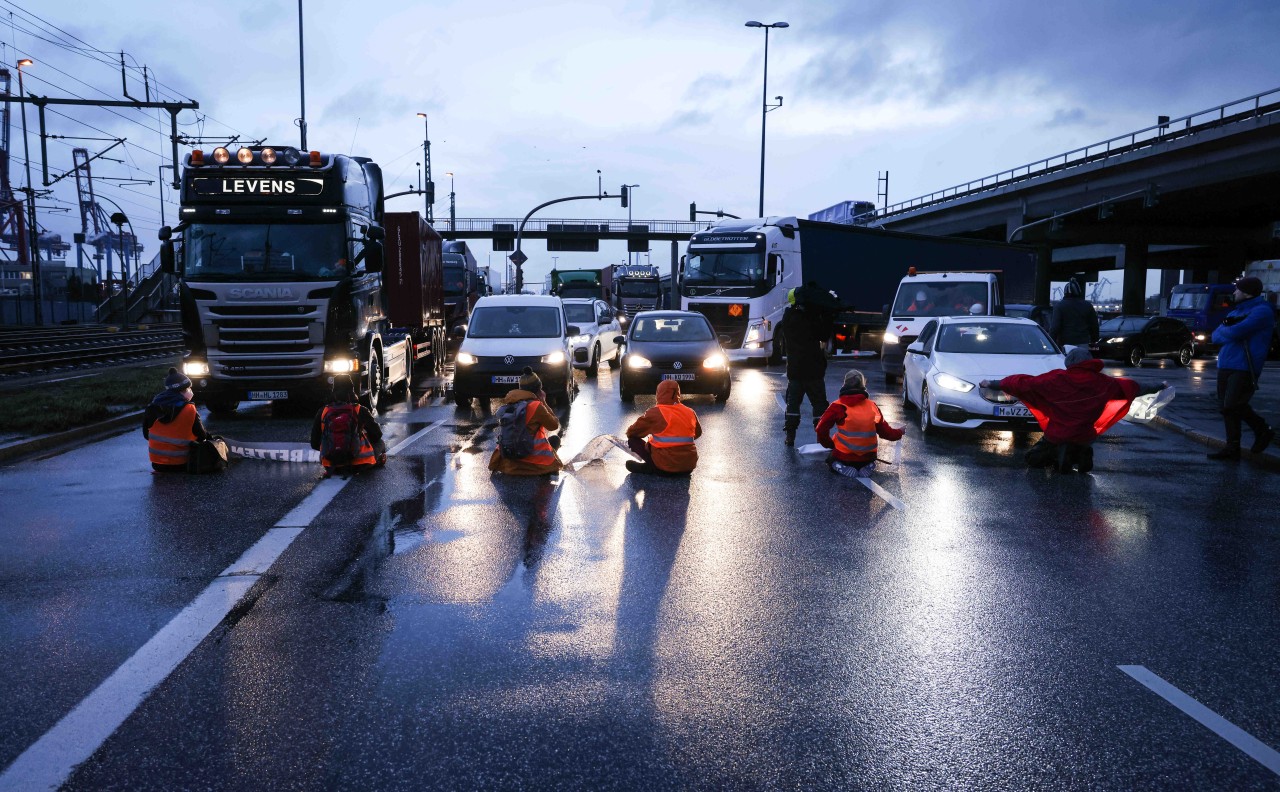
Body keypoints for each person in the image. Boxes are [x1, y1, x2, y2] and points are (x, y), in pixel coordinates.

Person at [980, 347, 1162, 473]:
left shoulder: (1056, 379)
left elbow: (1024, 383)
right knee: (1081, 442)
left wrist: (994, 384)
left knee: (1032, 459)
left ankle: (1055, 457)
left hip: (1057, 433)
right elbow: (1134, 387)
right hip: (1085, 435)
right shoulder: (1105, 383)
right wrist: (1159, 385)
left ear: (1070, 362)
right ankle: (1082, 454)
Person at [1206, 275, 1275, 460]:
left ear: (1247, 293)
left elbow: (1237, 332)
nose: (1234, 292)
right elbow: (1215, 336)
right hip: (1226, 363)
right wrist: (1229, 332)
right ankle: (1232, 447)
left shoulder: (1262, 311)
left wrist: (1228, 332)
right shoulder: (1235, 312)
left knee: (1233, 404)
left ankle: (1263, 430)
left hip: (1246, 364)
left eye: (1238, 289)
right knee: (1226, 407)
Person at [815, 369, 904, 478]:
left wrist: (829, 444)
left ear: (844, 384)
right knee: (867, 457)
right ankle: (868, 465)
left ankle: (840, 466)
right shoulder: (873, 406)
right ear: (863, 385)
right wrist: (899, 432)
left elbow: (820, 428)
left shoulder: (837, 406)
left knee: (830, 458)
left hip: (844, 456)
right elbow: (886, 432)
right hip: (868, 455)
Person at [779, 287, 831, 446]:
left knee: (793, 405)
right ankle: (821, 438)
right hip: (814, 371)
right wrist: (825, 315)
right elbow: (823, 334)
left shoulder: (787, 319)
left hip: (795, 372)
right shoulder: (811, 318)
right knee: (819, 406)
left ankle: (790, 436)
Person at [489, 367, 563, 475]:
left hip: (509, 464)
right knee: (555, 440)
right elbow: (554, 425)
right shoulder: (536, 406)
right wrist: (543, 401)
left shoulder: (509, 404)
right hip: (534, 465)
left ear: (521, 388)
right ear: (538, 390)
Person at [624, 379, 702, 476]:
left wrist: (650, 443)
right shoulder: (690, 411)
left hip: (665, 467)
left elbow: (633, 432)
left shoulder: (655, 412)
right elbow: (698, 433)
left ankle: (651, 467)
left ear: (659, 393)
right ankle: (655, 466)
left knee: (633, 440)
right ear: (678, 393)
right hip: (688, 466)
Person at [310, 376, 385, 475]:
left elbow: (314, 443)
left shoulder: (323, 411)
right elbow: (377, 435)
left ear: (334, 390)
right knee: (381, 443)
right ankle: (376, 460)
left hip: (332, 466)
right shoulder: (360, 410)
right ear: (352, 390)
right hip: (358, 465)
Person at [143, 367, 209, 473]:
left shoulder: (152, 407)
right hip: (181, 464)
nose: (190, 391)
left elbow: (146, 435)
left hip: (157, 464)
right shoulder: (189, 409)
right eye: (187, 389)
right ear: (180, 391)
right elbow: (202, 436)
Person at [1048, 278, 1099, 351]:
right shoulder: (1088, 305)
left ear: (1065, 292)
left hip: (1065, 344)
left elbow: (1055, 327)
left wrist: (1051, 343)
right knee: (1083, 362)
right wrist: (1094, 340)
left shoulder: (1059, 306)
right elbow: (1094, 326)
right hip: (1083, 343)